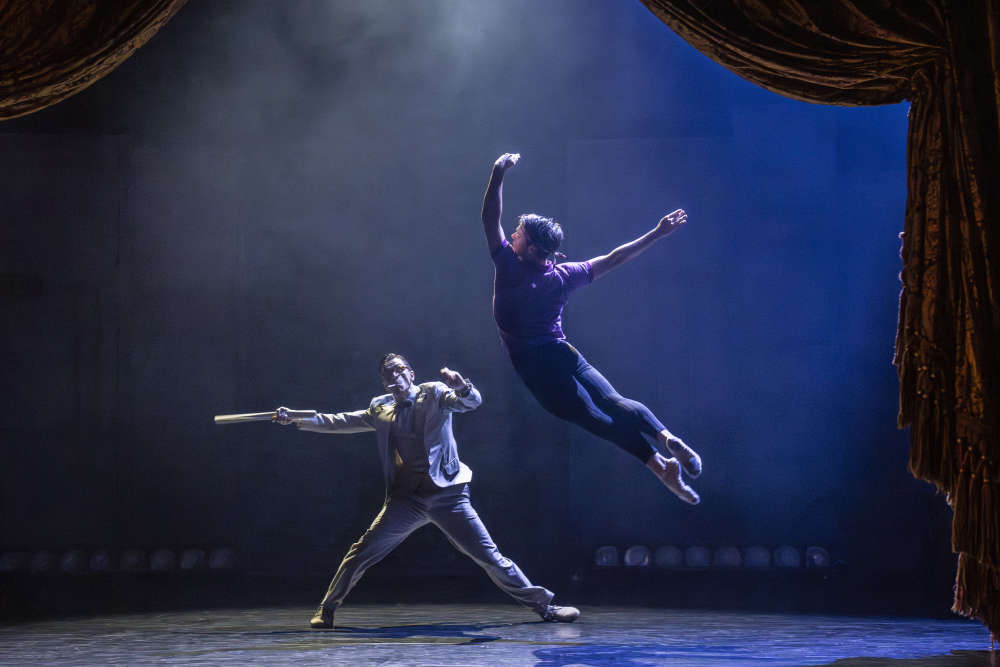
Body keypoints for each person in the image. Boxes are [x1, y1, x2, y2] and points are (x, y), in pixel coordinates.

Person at [274, 353, 580, 629]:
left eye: (397, 370)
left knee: (489, 556)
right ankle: (327, 609)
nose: (392, 377)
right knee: (362, 552)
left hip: (448, 495)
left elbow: (469, 403)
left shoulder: (434, 392)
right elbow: (338, 421)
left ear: (410, 372)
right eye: (386, 374)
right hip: (407, 499)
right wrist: (296, 417)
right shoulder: (379, 406)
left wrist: (462, 388)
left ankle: (545, 607)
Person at [480, 152, 702, 505]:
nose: (512, 235)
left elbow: (490, 216)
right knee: (614, 400)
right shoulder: (564, 275)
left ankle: (660, 466)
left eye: (518, 233)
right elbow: (615, 257)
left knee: (595, 419)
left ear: (531, 248)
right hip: (562, 352)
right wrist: (657, 233)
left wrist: (498, 172)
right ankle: (665, 439)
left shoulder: (511, 266)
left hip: (536, 367)